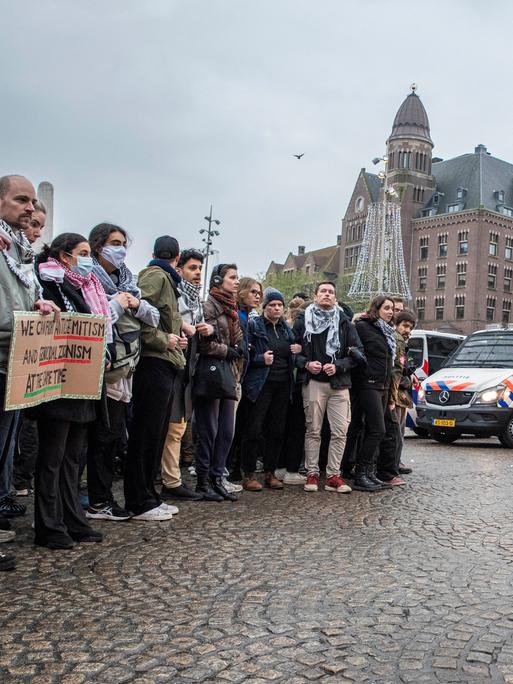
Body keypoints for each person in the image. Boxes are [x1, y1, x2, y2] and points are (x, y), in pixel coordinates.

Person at [31, 232, 110, 549]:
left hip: (81, 382)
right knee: (52, 456)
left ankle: (72, 518)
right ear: (64, 256)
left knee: (73, 456)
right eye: (83, 252)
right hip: (57, 382)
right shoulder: (48, 282)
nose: (88, 258)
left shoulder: (79, 288)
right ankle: (48, 524)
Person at [0, 175, 59, 568]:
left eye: (34, 202)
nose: (30, 208)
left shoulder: (18, 250)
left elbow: (23, 295)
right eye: (21, 200)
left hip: (13, 361)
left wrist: (39, 307)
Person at [85, 222, 160, 521]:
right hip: (104, 366)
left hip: (127, 365)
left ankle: (101, 497)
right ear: (98, 245)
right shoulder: (89, 278)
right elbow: (95, 319)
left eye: (123, 243)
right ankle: (98, 501)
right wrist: (116, 304)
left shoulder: (127, 280)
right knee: (102, 436)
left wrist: (135, 302)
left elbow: (152, 317)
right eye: (114, 243)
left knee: (114, 435)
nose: (120, 249)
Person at [123, 236, 187, 521]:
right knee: (147, 433)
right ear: (179, 256)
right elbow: (139, 312)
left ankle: (149, 494)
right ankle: (139, 499)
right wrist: (163, 340)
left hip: (166, 360)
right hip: (154, 362)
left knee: (157, 433)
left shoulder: (167, 278)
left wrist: (174, 340)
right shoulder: (156, 275)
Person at [296, 281, 365, 493]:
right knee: (313, 430)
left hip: (339, 383)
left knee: (340, 431)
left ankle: (334, 475)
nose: (327, 294)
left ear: (335, 298)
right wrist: (307, 364)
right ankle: (312, 473)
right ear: (316, 296)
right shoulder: (303, 321)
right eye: (323, 291)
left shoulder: (345, 322)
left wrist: (339, 366)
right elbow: (291, 353)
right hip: (314, 382)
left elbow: (357, 353)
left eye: (331, 292)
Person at [159, 249, 210, 502]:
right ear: (178, 269)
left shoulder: (196, 301)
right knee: (171, 427)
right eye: (192, 268)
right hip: (172, 367)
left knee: (178, 427)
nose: (198, 273)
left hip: (188, 367)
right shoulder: (175, 294)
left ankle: (171, 477)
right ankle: (169, 479)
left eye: (200, 268)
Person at [240, 287, 300, 491]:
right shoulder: (254, 325)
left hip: (283, 384)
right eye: (272, 305)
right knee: (254, 429)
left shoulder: (286, 329)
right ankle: (248, 474)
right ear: (265, 307)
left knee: (276, 430)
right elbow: (244, 355)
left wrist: (296, 351)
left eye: (279, 305)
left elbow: (292, 352)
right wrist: (260, 359)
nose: (276, 308)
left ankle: (270, 472)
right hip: (261, 384)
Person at [194, 264, 244, 501]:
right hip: (213, 374)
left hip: (230, 374)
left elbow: (239, 341)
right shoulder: (208, 306)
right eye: (232, 277)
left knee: (226, 431)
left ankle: (217, 477)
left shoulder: (233, 308)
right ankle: (203, 481)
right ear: (218, 280)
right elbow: (205, 343)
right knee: (209, 430)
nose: (236, 282)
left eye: (237, 277)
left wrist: (238, 349)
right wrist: (228, 351)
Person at [352, 294, 396, 492]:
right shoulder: (363, 327)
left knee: (376, 430)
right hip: (368, 384)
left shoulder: (388, 332)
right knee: (377, 429)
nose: (390, 312)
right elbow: (355, 350)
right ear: (376, 308)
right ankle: (360, 473)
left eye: (392, 309)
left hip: (383, 386)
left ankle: (369, 472)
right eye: (386, 308)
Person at [227, 277, 262, 484]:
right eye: (253, 292)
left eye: (259, 293)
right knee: (230, 428)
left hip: (242, 377)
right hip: (233, 376)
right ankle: (226, 469)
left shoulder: (248, 316)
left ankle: (232, 469)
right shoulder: (239, 316)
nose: (257, 296)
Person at [380, 309, 417, 482]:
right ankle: (390, 470)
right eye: (404, 325)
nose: (407, 330)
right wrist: (393, 397)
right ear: (396, 325)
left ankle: (393, 466)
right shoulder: (396, 340)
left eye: (410, 327)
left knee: (398, 433)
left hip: (398, 395)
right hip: (394, 395)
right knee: (393, 434)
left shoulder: (403, 341)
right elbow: (394, 372)